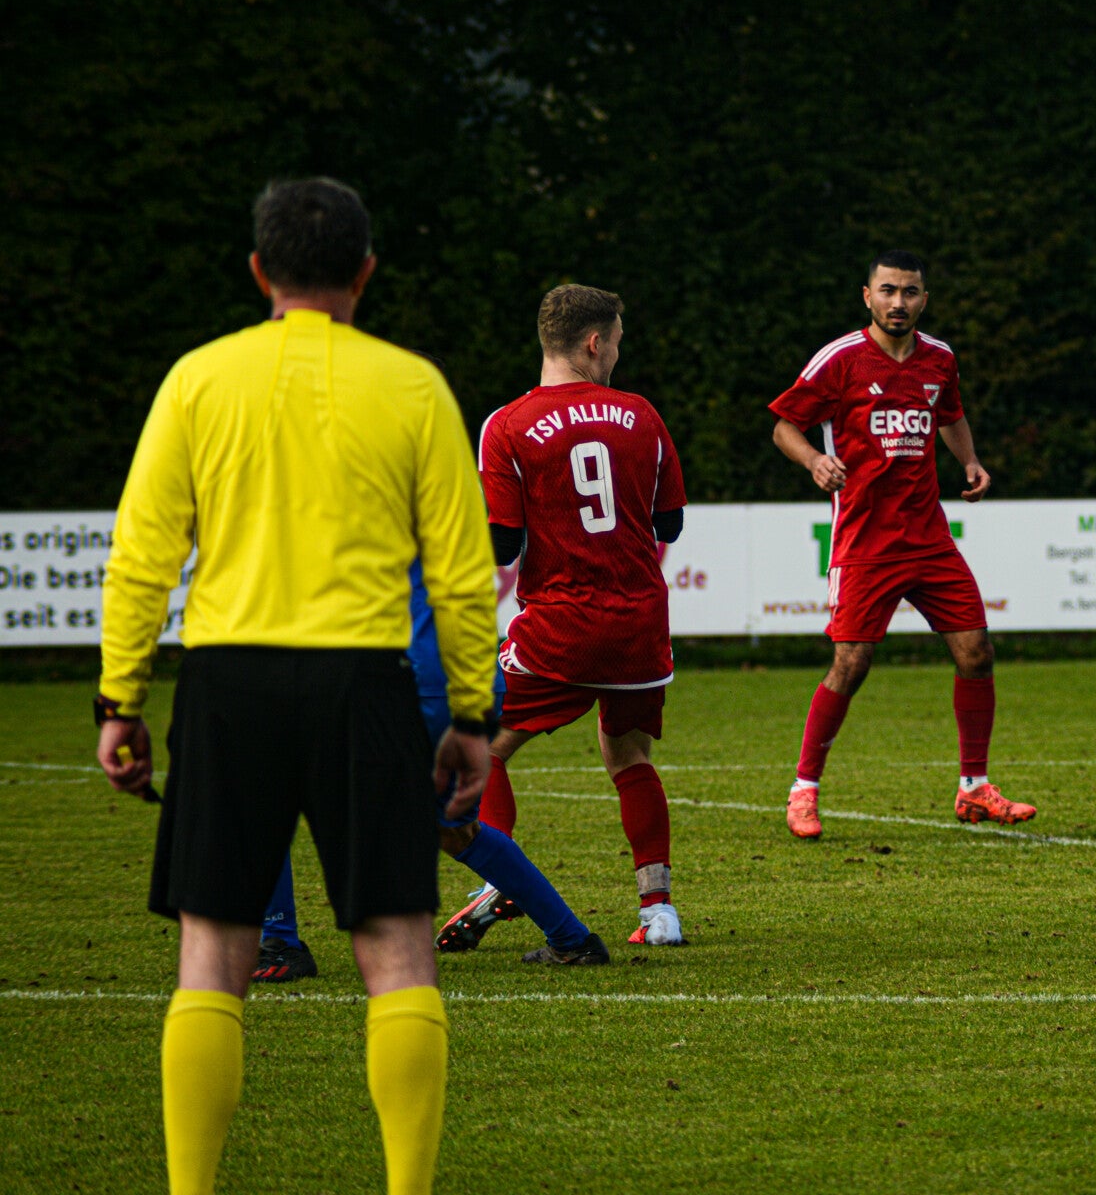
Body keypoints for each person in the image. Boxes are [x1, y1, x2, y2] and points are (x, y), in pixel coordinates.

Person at [94, 177, 493, 1194]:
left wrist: (119, 700)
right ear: (366, 271)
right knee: (397, 948)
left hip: (228, 686)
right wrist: (472, 714)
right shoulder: (413, 387)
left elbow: (142, 557)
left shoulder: (198, 379)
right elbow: (460, 572)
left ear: (258, 270)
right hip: (365, 685)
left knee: (212, 954)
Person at [769, 250, 1035, 840]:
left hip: (929, 538)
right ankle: (803, 790)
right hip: (864, 541)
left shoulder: (940, 359)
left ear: (924, 299)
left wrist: (970, 461)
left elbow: (950, 414)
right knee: (851, 663)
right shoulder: (840, 359)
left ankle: (974, 787)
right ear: (867, 296)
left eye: (909, 292)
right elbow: (785, 425)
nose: (898, 302)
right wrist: (814, 460)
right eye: (887, 291)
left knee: (976, 653)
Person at [251, 557, 609, 982]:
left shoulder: (340, 529)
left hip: (403, 679)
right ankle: (573, 940)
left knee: (266, 793)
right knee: (455, 829)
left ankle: (279, 943)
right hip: (472, 677)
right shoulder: (445, 518)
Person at [477, 284, 690, 947]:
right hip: (639, 626)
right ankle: (659, 912)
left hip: (559, 628)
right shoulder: (642, 415)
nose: (618, 354)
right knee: (629, 756)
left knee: (481, 748)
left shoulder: (507, 425)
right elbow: (670, 525)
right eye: (618, 342)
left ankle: (497, 880)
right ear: (594, 343)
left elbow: (503, 545)